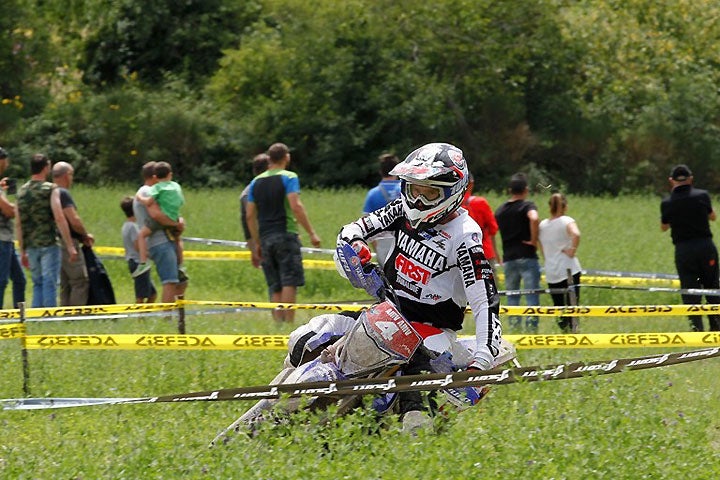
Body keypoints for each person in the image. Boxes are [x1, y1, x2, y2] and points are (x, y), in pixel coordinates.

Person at [284, 143, 502, 431]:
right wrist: (355, 247)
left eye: (430, 193)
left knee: (411, 416)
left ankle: (399, 422)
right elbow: (354, 228)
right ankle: (281, 401)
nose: (419, 201)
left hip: (431, 331)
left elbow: (485, 300)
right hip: (385, 314)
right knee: (306, 337)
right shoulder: (401, 209)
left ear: (453, 192)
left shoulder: (465, 236)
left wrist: (482, 362)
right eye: (414, 189)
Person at [246, 142, 321, 322]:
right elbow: (295, 205)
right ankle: (289, 323)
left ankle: (278, 323)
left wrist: (256, 242)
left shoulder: (255, 182)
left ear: (269, 158)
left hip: (265, 237)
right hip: (285, 233)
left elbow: (249, 215)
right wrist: (311, 232)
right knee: (289, 280)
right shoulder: (289, 177)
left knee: (275, 283)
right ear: (287, 157)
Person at [660, 164, 720, 332]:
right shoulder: (702, 195)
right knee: (713, 287)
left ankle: (696, 332)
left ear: (671, 181)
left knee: (690, 291)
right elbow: (713, 217)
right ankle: (716, 329)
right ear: (691, 179)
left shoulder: (667, 202)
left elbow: (663, 227)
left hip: (683, 250)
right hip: (705, 246)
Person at [15, 153, 77, 307]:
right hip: (49, 242)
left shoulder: (21, 191)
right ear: (46, 167)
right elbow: (59, 217)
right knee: (50, 282)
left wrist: (22, 249)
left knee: (37, 283)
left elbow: (19, 223)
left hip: (31, 244)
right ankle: (49, 317)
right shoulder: (51, 189)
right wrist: (70, 246)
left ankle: (36, 317)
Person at [133, 161, 187, 303]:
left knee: (180, 282)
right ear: (154, 177)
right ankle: (167, 318)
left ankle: (175, 315)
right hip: (160, 241)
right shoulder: (147, 191)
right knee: (170, 282)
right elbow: (156, 215)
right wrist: (176, 223)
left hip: (164, 239)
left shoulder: (156, 191)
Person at [494, 173, 540, 333]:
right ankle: (532, 329)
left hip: (509, 258)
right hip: (527, 256)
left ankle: (514, 328)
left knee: (512, 295)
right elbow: (534, 219)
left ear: (510, 190)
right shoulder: (528, 206)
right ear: (526, 190)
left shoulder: (500, 211)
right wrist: (534, 240)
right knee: (531, 294)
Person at [538, 192, 582, 333]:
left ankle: (564, 331)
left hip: (551, 270)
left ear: (550, 206)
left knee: (558, 305)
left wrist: (547, 257)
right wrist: (572, 250)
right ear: (565, 206)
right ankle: (574, 330)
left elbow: (540, 245)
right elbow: (576, 234)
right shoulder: (567, 221)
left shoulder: (543, 225)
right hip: (569, 267)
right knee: (572, 303)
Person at [52, 162, 94, 306]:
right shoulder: (62, 193)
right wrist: (85, 235)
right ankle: (75, 316)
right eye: (71, 175)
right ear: (66, 176)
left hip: (53, 242)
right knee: (79, 281)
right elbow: (74, 220)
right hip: (68, 241)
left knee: (65, 283)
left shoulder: (49, 191)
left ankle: (64, 315)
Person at [362, 153, 401, 265]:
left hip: (381, 243)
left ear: (380, 171)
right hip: (405, 241)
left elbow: (367, 225)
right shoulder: (406, 190)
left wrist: (376, 248)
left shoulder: (372, 194)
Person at [0, 147, 26, 308]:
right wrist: (17, 204)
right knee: (1, 280)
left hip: (7, 239)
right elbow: (9, 211)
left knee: (19, 279)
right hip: (1, 238)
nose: (7, 164)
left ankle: (19, 315)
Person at [121, 196, 157, 303]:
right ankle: (140, 317)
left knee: (152, 294)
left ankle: (145, 315)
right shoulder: (133, 227)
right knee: (141, 295)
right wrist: (149, 254)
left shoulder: (126, 226)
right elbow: (138, 246)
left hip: (133, 261)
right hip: (138, 262)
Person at [463, 172, 499, 268]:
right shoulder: (480, 202)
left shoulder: (449, 205)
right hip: (484, 251)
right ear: (471, 183)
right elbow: (493, 228)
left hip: (462, 256)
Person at [240, 154, 269, 268]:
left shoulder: (246, 192)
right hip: (270, 241)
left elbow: (246, 223)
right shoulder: (279, 187)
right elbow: (249, 218)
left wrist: (253, 247)